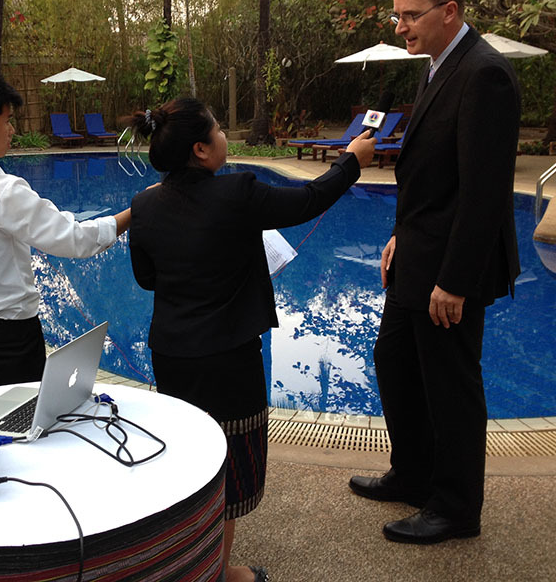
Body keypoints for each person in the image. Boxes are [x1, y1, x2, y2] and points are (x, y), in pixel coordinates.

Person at [127, 98, 374, 582]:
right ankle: (218, 573)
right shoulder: (237, 192)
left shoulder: (145, 205)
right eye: (218, 129)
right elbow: (308, 200)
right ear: (200, 149)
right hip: (229, 360)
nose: (224, 136)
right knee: (226, 464)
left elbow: (147, 278)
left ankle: (188, 564)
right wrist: (351, 162)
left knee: (187, 459)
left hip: (173, 356)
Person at [347, 0, 521, 544]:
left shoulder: (484, 74)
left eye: (410, 15)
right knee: (395, 361)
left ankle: (456, 507)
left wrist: (455, 280)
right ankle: (414, 473)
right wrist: (401, 233)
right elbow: (431, 175)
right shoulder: (438, 65)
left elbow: (484, 193)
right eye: (397, 15)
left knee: (450, 384)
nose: (401, 26)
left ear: (449, 11)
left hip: (449, 268)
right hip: (416, 253)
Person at [0, 70, 131, 391]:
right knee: (23, 416)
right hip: (11, 339)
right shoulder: (3, 190)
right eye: (7, 121)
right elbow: (76, 240)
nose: (12, 130)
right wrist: (133, 213)